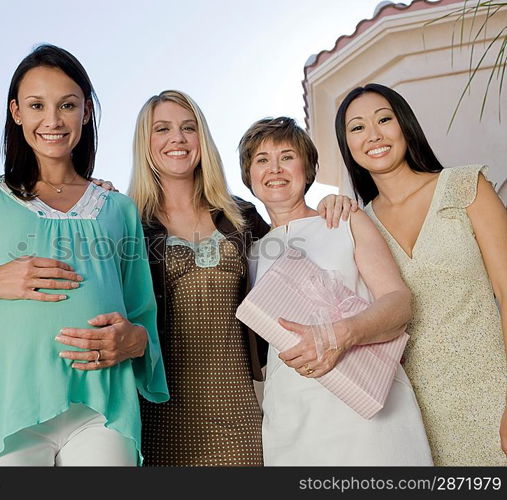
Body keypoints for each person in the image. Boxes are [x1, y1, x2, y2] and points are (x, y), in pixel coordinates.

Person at [0, 44, 168, 466]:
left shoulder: (118, 208)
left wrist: (135, 341)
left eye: (67, 105)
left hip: (102, 411)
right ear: (16, 112)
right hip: (4, 410)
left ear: (86, 112)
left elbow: (142, 314)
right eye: (37, 105)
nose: (53, 120)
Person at [128, 90, 357, 466]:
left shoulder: (240, 216)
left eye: (189, 127)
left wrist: (329, 208)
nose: (178, 138)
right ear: (145, 143)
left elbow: (296, 247)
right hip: (158, 411)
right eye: (162, 129)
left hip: (239, 407)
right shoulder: (129, 222)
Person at [240, 116, 432, 466]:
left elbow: (399, 303)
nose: (275, 169)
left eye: (287, 156)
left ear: (308, 168)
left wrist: (340, 335)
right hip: (291, 417)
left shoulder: (345, 220)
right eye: (261, 160)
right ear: (249, 175)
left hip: (368, 408)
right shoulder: (249, 255)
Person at [335, 83, 507, 465]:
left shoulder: (466, 187)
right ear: (347, 145)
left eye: (384, 119)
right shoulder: (359, 225)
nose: (374, 135)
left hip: (494, 396)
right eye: (357, 128)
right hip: (411, 419)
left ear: (404, 125)